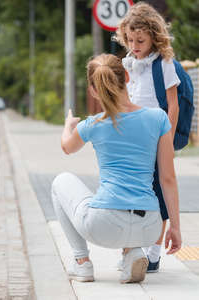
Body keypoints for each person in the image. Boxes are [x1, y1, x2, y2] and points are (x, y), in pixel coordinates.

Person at [52, 54, 181, 284]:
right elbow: (168, 179)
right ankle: (132, 252)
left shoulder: (92, 124)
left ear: (93, 90)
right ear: (127, 77)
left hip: (104, 226)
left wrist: (67, 126)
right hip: (150, 227)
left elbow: (66, 147)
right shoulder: (158, 118)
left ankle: (82, 263)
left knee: (60, 181)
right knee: (134, 202)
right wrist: (175, 228)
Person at [115, 1, 180, 273]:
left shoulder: (163, 64)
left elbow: (173, 105)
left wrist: (169, 141)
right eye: (130, 39)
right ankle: (131, 250)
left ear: (154, 35)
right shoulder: (127, 63)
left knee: (158, 195)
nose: (134, 44)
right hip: (133, 140)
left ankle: (153, 254)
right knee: (132, 192)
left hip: (157, 138)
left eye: (140, 40)